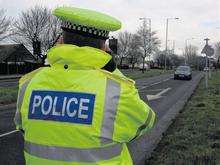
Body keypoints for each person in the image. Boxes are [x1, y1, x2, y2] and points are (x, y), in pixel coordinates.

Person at [14, 6, 156, 165]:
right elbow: (144, 124)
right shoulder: (117, 90)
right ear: (104, 48)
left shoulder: (29, 83)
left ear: (61, 40)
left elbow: (22, 128)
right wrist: (112, 69)